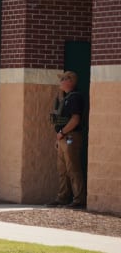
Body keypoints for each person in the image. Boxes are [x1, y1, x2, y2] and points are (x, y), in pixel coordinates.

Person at [46, 71, 87, 209]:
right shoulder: (64, 97)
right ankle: (63, 197)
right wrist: (59, 136)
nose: (60, 82)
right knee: (62, 170)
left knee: (73, 168)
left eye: (63, 79)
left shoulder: (75, 98)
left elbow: (75, 120)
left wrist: (63, 132)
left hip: (71, 137)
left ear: (70, 81)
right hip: (62, 137)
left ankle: (78, 199)